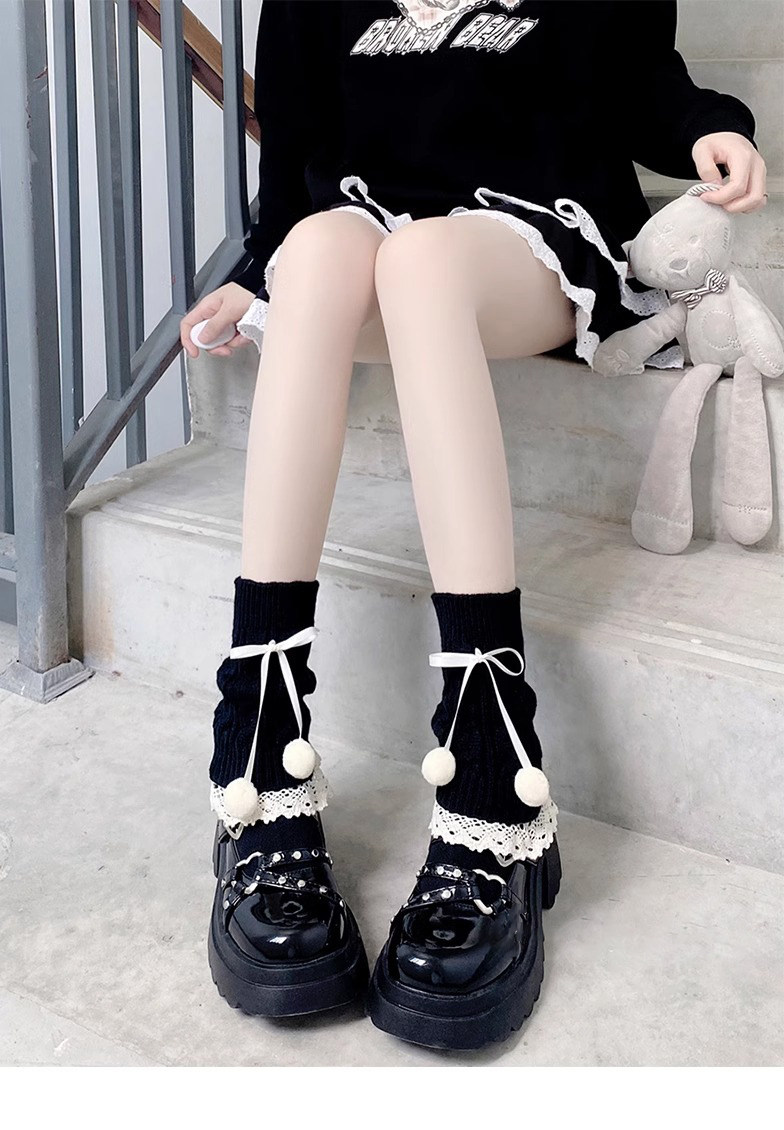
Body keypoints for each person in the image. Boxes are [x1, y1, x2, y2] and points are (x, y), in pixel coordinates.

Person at [180, 0, 766, 1050]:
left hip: (526, 236)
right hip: (367, 229)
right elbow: (297, 150)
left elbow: (641, 78)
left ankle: (496, 772)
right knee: (315, 252)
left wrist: (704, 127)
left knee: (422, 264)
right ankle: (258, 751)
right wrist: (254, 271)